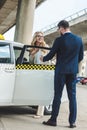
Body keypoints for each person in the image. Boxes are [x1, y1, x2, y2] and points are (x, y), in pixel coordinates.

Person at [40, 20, 84, 128]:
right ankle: (72, 122)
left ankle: (53, 120)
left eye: (58, 29)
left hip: (61, 71)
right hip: (72, 72)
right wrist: (73, 64)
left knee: (57, 95)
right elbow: (81, 57)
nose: (58, 31)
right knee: (72, 97)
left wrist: (43, 58)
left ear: (61, 28)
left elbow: (51, 54)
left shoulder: (59, 40)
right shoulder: (79, 40)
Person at [29, 31, 48, 118]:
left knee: (41, 92)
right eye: (38, 36)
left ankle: (39, 113)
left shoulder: (46, 47)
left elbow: (49, 60)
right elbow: (30, 62)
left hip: (43, 72)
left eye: (42, 36)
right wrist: (35, 50)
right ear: (35, 37)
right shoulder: (32, 49)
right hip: (34, 72)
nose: (40, 38)